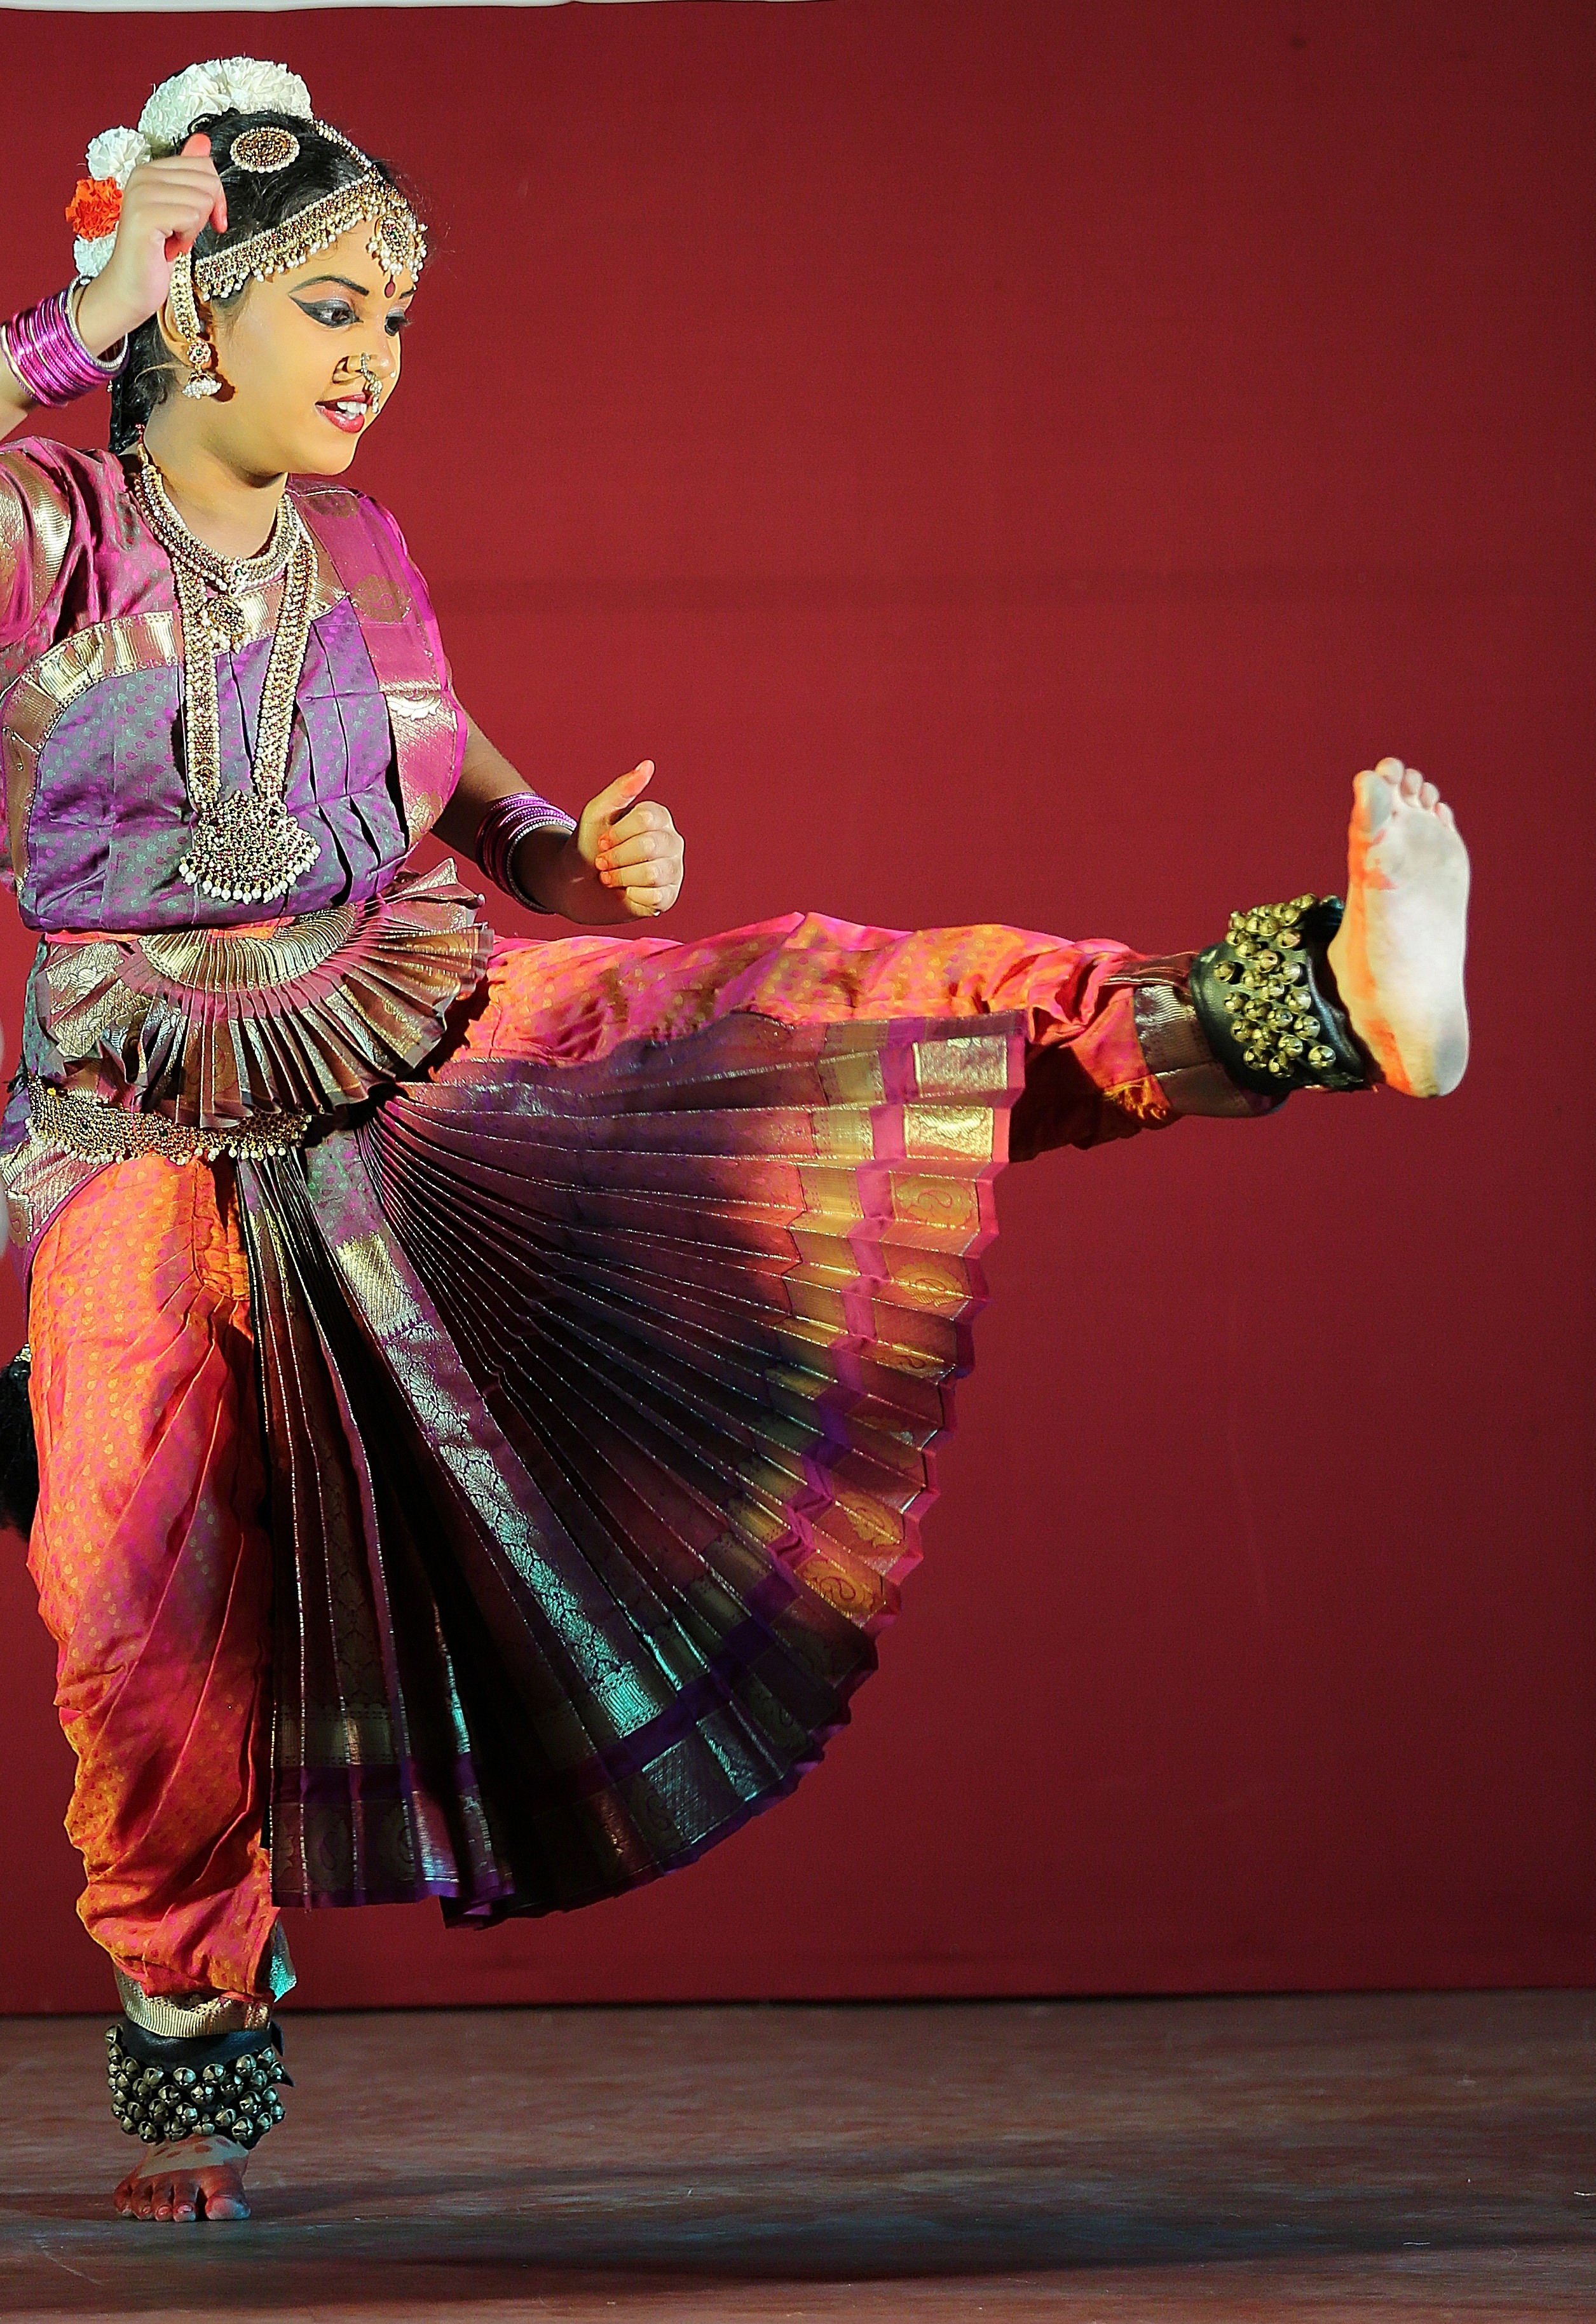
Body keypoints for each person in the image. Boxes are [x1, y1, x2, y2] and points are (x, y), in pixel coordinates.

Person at [0, 57, 1470, 2225]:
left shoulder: (361, 545)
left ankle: (1312, 998)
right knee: (136, 1596)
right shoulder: (54, 529)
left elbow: (440, 768)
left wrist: (560, 857)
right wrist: (75, 319)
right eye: (335, 310)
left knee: (801, 1015)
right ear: (194, 311)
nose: (379, 359)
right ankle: (193, 2043)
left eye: (398, 318)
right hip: (134, 1138)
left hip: (403, 1028)